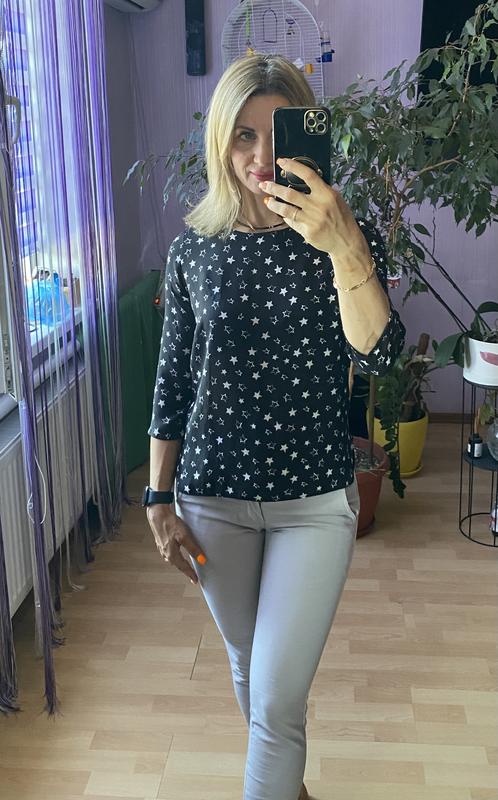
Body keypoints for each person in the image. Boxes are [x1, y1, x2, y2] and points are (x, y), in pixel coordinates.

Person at [144, 53, 405, 800]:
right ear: (220, 142)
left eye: (279, 133)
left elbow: (380, 353)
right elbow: (173, 382)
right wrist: (157, 499)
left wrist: (344, 244)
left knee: (277, 702)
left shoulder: (339, 235)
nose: (262, 156)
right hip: (211, 501)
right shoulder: (194, 249)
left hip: (314, 504)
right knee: (248, 666)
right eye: (243, 135)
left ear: (307, 135)